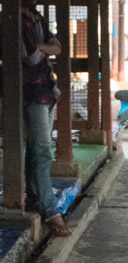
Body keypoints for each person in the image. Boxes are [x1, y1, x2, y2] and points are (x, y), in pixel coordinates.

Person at [18, 2, 70, 237]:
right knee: (41, 152)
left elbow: (57, 47)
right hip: (31, 92)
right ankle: (50, 211)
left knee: (35, 151)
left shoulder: (36, 16)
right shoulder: (15, 19)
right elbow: (29, 56)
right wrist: (44, 47)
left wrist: (43, 47)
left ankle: (33, 200)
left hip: (46, 90)